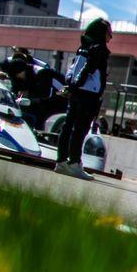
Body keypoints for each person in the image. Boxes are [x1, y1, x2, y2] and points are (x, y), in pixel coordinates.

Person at [53, 16, 111, 179]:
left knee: (68, 127)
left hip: (76, 93)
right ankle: (74, 163)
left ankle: (61, 162)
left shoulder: (84, 47)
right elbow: (88, 69)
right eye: (108, 32)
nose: (110, 36)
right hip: (88, 95)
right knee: (80, 130)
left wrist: (71, 87)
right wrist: (76, 85)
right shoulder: (98, 48)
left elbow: (75, 69)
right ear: (101, 32)